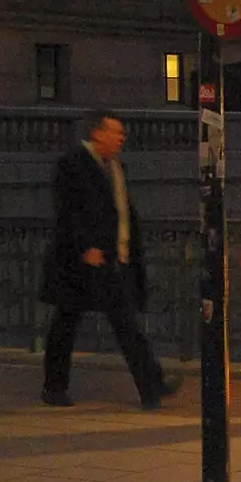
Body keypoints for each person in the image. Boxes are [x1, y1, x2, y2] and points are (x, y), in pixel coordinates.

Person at [39, 109, 178, 409]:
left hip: (113, 260)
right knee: (68, 324)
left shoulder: (115, 167)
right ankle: (54, 387)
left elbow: (122, 212)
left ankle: (151, 386)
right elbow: (67, 211)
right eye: (115, 132)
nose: (121, 138)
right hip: (81, 263)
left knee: (125, 325)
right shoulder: (72, 164)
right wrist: (85, 247)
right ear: (97, 133)